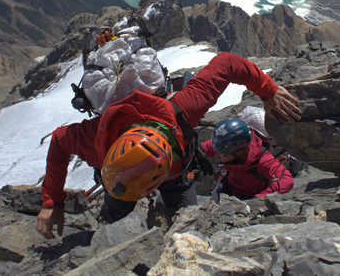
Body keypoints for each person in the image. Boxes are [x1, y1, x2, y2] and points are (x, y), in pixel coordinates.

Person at [36, 52, 301, 239]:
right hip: (170, 173)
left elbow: (229, 63)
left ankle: (122, 222)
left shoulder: (180, 110)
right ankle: (113, 225)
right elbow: (227, 64)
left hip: (169, 174)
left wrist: (270, 91)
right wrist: (51, 202)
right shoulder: (180, 110)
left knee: (182, 223)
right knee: (155, 213)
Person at [203, 118, 294, 202]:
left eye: (223, 154)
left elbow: (286, 180)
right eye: (217, 151)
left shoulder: (262, 160)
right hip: (229, 186)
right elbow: (200, 149)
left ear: (239, 151)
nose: (217, 155)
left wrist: (258, 199)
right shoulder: (224, 145)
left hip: (253, 195)